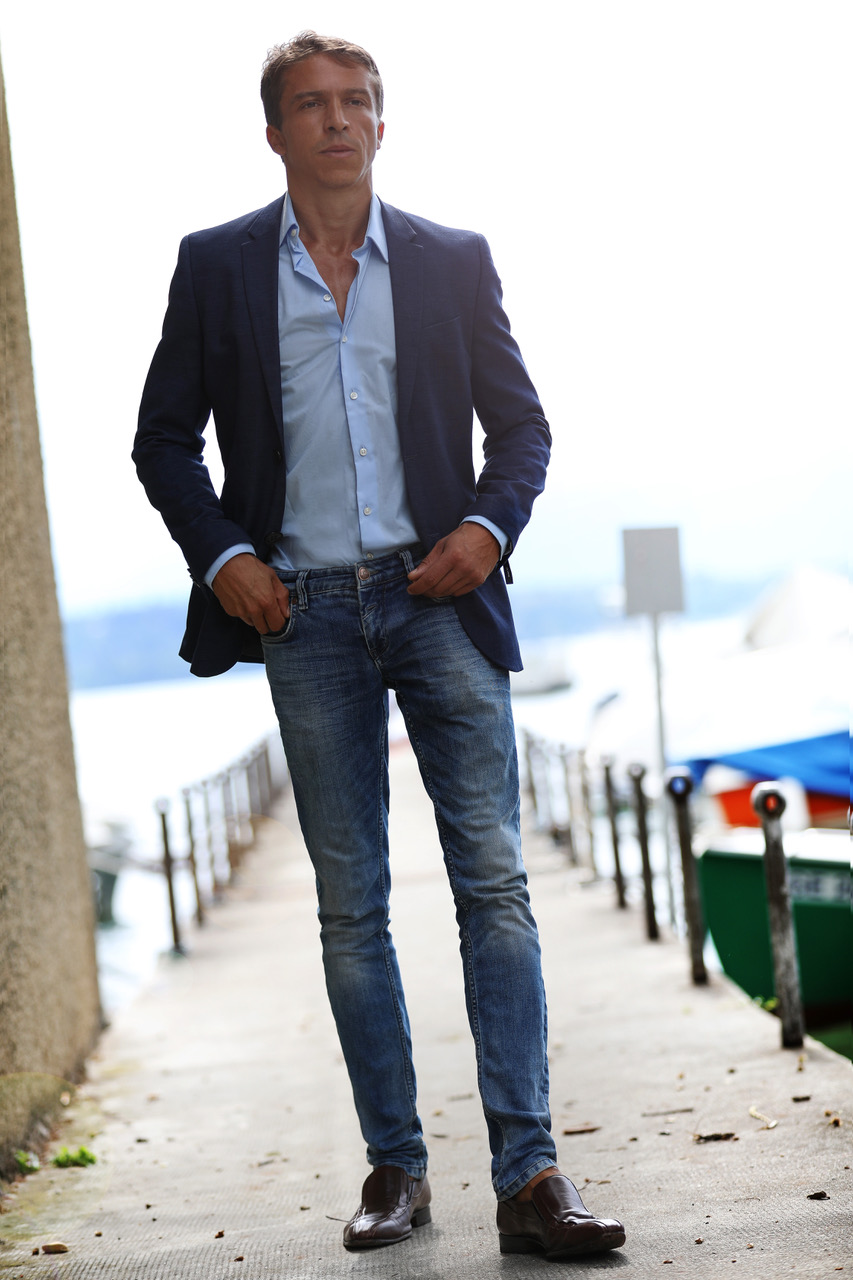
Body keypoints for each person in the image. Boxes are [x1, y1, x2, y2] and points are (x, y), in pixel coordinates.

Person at [133, 30, 625, 1260]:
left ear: (382, 123)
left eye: (357, 100)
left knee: (493, 882)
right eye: (312, 103)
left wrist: (485, 531)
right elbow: (162, 441)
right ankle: (395, 1166)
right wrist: (223, 555)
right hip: (298, 612)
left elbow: (522, 430)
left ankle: (530, 1173)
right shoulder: (216, 266)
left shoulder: (453, 260)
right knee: (352, 905)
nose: (338, 119)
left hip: (439, 595)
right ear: (275, 131)